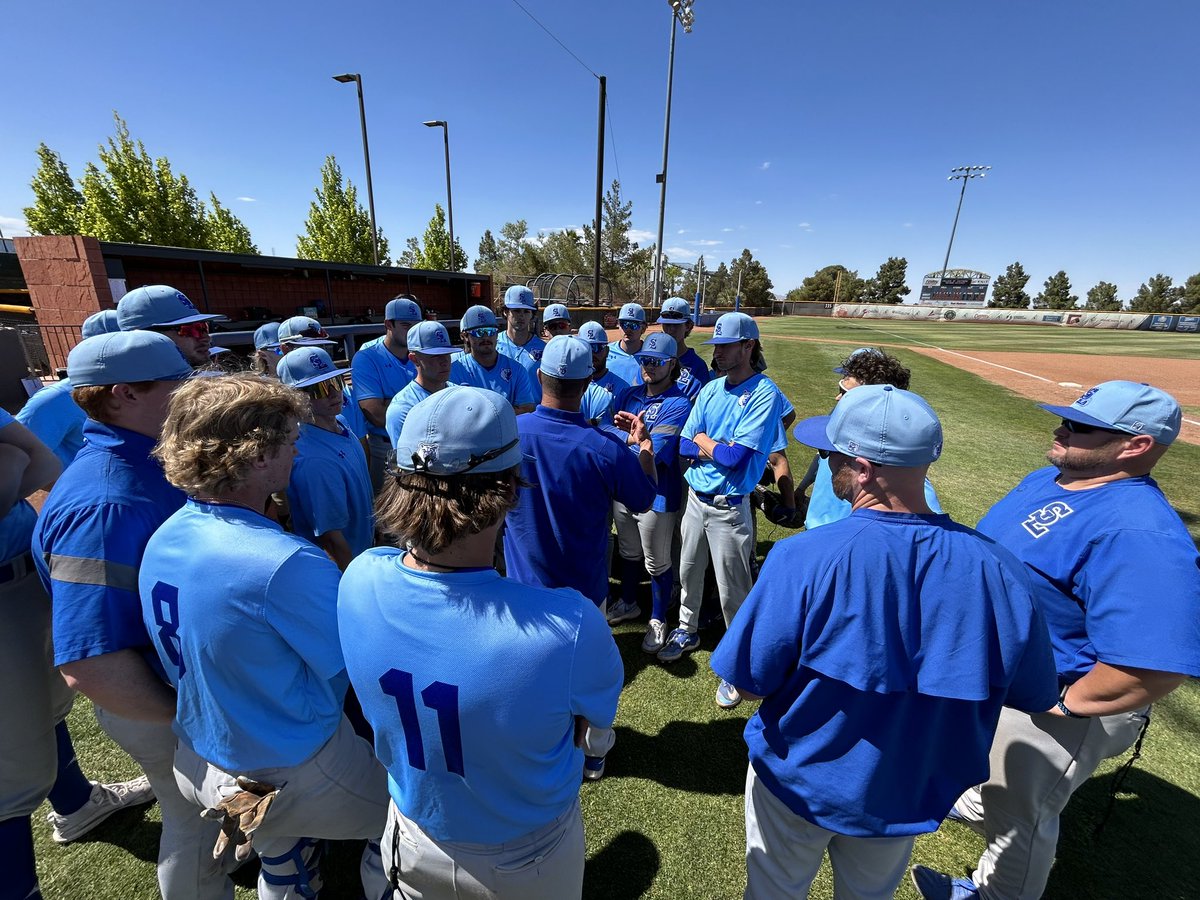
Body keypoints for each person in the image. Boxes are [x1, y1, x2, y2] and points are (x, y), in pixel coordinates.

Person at [711, 384, 1057, 900]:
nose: (826, 465)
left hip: (799, 781)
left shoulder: (802, 559)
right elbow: (1033, 694)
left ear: (864, 467)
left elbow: (748, 681)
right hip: (908, 791)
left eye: (832, 455)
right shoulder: (1001, 568)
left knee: (774, 892)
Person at [911, 381, 1200, 900]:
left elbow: (1154, 667)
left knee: (1021, 819)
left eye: (1081, 427)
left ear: (1136, 445)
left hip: (1059, 696)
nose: (1060, 429)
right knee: (997, 779)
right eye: (1066, 418)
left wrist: (1063, 704)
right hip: (1006, 679)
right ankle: (980, 799)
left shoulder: (1138, 533)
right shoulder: (1051, 478)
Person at [338, 385, 623, 900]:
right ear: (511, 489)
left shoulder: (359, 577)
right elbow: (593, 732)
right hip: (525, 855)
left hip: (410, 834)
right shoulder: (568, 623)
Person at [139, 374, 388, 900]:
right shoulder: (284, 562)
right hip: (296, 760)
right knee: (404, 823)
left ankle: (286, 865)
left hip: (203, 751)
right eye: (289, 441)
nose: (297, 450)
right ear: (255, 456)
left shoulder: (165, 534)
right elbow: (358, 662)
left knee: (279, 849)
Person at [33, 331, 235, 900]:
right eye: (177, 385)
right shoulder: (105, 501)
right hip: (154, 702)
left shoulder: (141, 459)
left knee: (206, 822)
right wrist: (190, 717)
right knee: (193, 825)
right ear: (123, 394)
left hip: (171, 689)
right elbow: (89, 662)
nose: (190, 396)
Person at [504, 336, 655, 778]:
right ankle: (592, 754)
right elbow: (644, 498)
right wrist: (642, 449)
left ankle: (539, 751)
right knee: (588, 682)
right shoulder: (606, 445)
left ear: (539, 377)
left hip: (523, 590)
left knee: (531, 680)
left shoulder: (511, 433)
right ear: (589, 380)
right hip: (585, 595)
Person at [656, 314, 785, 705]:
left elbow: (734, 457)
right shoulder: (711, 389)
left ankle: (739, 664)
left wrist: (704, 441)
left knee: (734, 592)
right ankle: (686, 629)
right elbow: (682, 444)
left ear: (748, 346)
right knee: (688, 572)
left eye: (726, 346)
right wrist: (707, 443)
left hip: (730, 507)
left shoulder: (764, 392)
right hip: (697, 500)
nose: (719, 352)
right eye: (717, 346)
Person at [604, 332, 693, 654]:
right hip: (623, 489)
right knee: (628, 552)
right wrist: (636, 440)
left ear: (673, 365)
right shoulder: (628, 394)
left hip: (659, 494)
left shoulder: (679, 403)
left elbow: (658, 451)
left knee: (657, 562)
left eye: (657, 362)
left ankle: (657, 618)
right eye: (645, 360)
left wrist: (629, 440)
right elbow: (603, 433)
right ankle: (629, 602)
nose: (649, 367)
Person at [803, 347, 942, 530]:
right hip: (815, 530)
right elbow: (821, 457)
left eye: (846, 393)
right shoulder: (839, 421)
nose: (838, 398)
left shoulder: (893, 461)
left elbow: (926, 521)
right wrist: (802, 487)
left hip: (846, 538)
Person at [278, 349, 374, 570]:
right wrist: (353, 583)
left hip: (363, 548)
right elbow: (331, 539)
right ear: (295, 398)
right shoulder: (312, 459)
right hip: (347, 566)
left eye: (335, 382)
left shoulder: (340, 421)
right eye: (320, 388)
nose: (333, 393)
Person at [350, 296, 421, 493]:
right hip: (387, 448)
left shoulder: (423, 350)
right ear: (388, 324)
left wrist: (394, 402)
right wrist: (424, 401)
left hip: (426, 445)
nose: (413, 331)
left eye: (417, 326)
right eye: (407, 325)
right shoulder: (367, 356)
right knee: (389, 518)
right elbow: (377, 415)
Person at [450, 305, 538, 414]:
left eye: (491, 331)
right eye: (479, 332)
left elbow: (527, 408)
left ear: (497, 334)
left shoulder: (517, 369)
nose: (486, 337)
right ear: (465, 336)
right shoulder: (455, 370)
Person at [385, 320, 459, 446]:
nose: (444, 361)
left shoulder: (459, 394)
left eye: (446, 354)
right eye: (435, 355)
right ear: (414, 359)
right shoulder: (403, 408)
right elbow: (407, 462)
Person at [116, 284, 224, 367]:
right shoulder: (140, 392)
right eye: (190, 330)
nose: (206, 338)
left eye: (203, 327)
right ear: (146, 336)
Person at [656, 297, 711, 400]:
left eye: (676, 325)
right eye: (667, 324)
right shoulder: (652, 359)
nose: (670, 330)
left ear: (688, 326)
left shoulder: (697, 366)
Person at [577, 320, 630, 427]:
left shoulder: (622, 388)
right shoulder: (569, 384)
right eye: (586, 348)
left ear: (607, 351)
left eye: (597, 348)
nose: (591, 354)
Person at [496, 284, 546, 380]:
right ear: (505, 312)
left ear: (532, 314)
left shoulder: (543, 349)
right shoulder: (494, 344)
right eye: (517, 311)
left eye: (526, 311)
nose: (522, 316)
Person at [606, 302, 647, 386]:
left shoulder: (651, 357)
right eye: (624, 324)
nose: (628, 329)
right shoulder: (605, 352)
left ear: (643, 328)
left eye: (633, 325)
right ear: (618, 325)